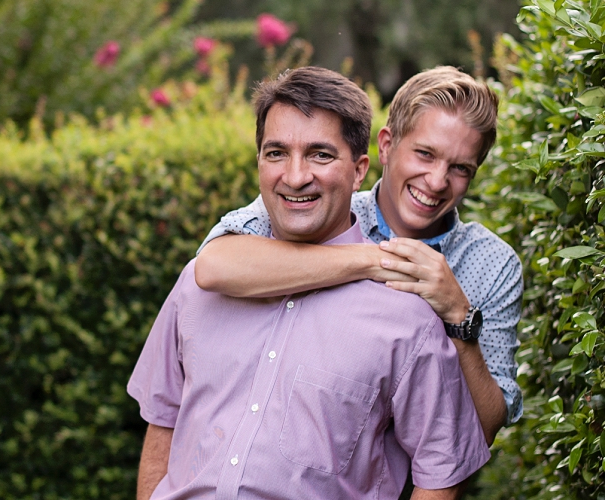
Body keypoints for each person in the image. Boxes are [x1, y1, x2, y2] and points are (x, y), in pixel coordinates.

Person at [128, 66, 490, 500]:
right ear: (259, 162)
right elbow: (163, 421)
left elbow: (441, 474)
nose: (296, 176)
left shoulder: (408, 316)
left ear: (359, 171)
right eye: (277, 153)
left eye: (320, 155)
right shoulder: (199, 286)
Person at [194, 66, 522, 447]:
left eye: (460, 168)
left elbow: (484, 429)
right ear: (385, 145)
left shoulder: (492, 264)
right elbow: (215, 265)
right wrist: (372, 260)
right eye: (424, 154)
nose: (436, 181)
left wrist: (459, 318)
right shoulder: (324, 205)